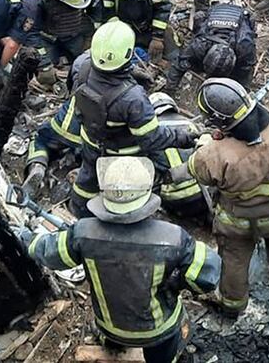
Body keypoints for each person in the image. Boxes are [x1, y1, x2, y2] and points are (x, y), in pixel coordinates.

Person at [23, 156, 221, 363]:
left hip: (110, 326)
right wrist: (176, 284)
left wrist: (25, 237)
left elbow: (47, 253)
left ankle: (113, 344)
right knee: (167, 345)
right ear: (147, 194)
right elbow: (206, 276)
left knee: (114, 328)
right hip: (156, 332)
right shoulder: (173, 238)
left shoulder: (82, 233)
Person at [175, 78, 269, 316]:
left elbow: (195, 172)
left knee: (234, 260)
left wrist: (206, 143)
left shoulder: (213, 154)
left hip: (239, 224)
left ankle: (232, 304)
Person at [68, 22, 195, 216]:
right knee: (131, 187)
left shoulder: (81, 65)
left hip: (90, 140)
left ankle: (78, 211)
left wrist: (130, 74)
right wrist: (181, 137)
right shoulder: (133, 99)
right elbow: (151, 138)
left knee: (88, 178)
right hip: (124, 154)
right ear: (128, 54)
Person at [165, 3, 257, 90]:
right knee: (199, 17)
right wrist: (170, 88)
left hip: (240, 15)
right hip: (215, 11)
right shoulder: (200, 45)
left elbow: (247, 69)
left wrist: (240, 90)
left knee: (251, 21)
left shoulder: (245, 47)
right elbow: (180, 63)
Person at [39, 0, 98, 71]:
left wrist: (91, 36)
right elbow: (32, 32)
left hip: (75, 33)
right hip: (47, 37)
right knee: (45, 68)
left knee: (85, 61)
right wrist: (45, 64)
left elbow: (96, 14)